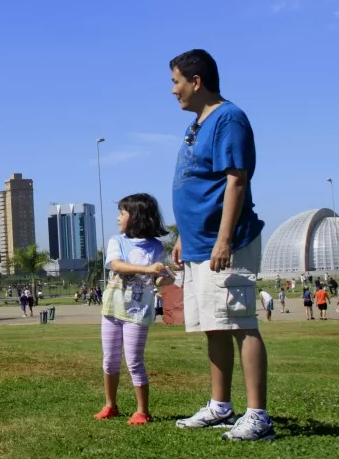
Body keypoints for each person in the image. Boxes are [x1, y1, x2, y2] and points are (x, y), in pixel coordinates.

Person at [169, 50, 274, 441]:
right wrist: (183, 234)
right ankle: (220, 406)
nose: (173, 91)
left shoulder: (228, 118)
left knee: (241, 323)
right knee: (214, 325)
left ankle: (258, 416)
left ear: (197, 82)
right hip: (198, 244)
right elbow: (195, 182)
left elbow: (235, 180)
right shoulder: (197, 124)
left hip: (225, 242)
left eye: (176, 82)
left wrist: (224, 239)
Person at [95, 193, 175, 425]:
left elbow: (158, 281)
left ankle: (142, 411)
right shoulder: (116, 241)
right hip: (112, 309)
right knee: (109, 359)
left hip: (137, 313)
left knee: (134, 361)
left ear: (137, 216)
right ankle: (110, 405)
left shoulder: (156, 247)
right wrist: (150, 270)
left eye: (122, 213)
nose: (118, 217)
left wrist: (166, 279)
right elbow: (116, 264)